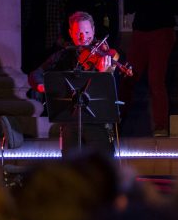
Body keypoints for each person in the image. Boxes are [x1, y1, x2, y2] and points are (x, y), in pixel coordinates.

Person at [28, 11, 117, 158]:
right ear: (71, 33)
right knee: (71, 168)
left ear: (94, 30)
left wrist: (103, 72)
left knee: (101, 168)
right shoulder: (63, 54)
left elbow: (109, 90)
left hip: (98, 123)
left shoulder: (103, 54)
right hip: (70, 121)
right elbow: (34, 75)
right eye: (78, 33)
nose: (83, 38)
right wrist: (42, 87)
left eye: (87, 32)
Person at [121, 0, 178, 137]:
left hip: (162, 32)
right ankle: (116, 122)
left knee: (156, 79)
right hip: (140, 33)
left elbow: (177, 6)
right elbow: (129, 7)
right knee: (127, 77)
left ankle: (160, 126)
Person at [21, 0, 68, 74]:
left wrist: (61, 38)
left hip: (51, 43)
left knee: (49, 77)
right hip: (31, 44)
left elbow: (66, 18)